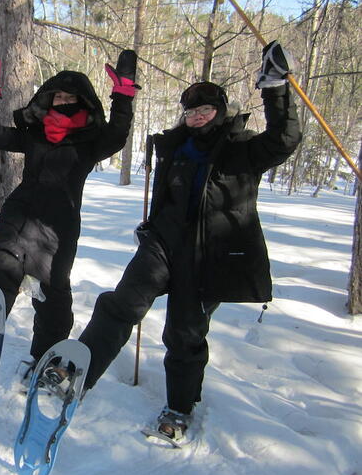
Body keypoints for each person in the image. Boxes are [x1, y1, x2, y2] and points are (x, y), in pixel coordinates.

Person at [77, 41, 301, 441]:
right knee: (122, 304)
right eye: (191, 111)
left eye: (205, 110)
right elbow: (167, 196)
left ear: (220, 112)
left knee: (184, 333)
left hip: (209, 257)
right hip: (162, 245)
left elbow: (284, 139)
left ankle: (179, 407)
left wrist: (275, 88)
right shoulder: (175, 147)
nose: (197, 117)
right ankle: (76, 373)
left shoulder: (242, 149)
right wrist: (150, 226)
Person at [0, 50, 138, 370]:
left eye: (70, 96)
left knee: (53, 293)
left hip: (60, 222)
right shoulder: (35, 132)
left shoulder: (91, 141)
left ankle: (47, 356)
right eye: (57, 95)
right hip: (20, 211)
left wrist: (123, 94)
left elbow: (117, 134)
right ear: (47, 98)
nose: (62, 100)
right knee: (2, 265)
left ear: (84, 101)